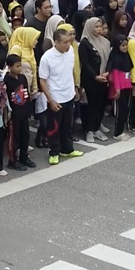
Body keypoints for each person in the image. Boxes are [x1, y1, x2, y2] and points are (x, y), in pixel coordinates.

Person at [39, 23, 82, 164]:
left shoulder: (70, 52)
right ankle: (54, 152)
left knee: (67, 125)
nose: (68, 45)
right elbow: (43, 81)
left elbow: (71, 71)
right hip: (56, 97)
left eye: (69, 41)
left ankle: (67, 149)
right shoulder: (47, 58)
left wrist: (75, 88)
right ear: (56, 42)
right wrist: (50, 100)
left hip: (69, 94)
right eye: (64, 42)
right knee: (54, 127)